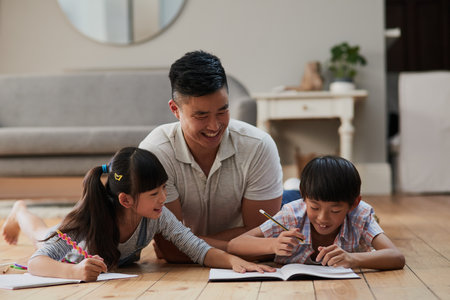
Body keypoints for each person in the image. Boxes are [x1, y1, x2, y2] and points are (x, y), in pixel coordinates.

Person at [1, 147, 274, 281]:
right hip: (75, 254)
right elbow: (37, 263)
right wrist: (73, 272)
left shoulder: (157, 215)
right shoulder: (86, 221)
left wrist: (234, 260)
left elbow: (197, 248)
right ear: (126, 199)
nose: (163, 198)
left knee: (43, 236)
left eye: (163, 189)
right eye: (154, 194)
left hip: (95, 258)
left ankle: (20, 210)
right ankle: (19, 210)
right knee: (41, 236)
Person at [139, 50, 283, 262]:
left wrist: (188, 244)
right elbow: (170, 247)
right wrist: (243, 246)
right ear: (175, 110)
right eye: (201, 115)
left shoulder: (258, 145)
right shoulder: (156, 154)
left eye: (222, 111)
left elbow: (266, 238)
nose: (214, 126)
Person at [227, 156, 405, 270]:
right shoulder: (291, 215)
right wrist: (272, 245)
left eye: (335, 210)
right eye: (315, 207)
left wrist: (353, 259)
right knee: (288, 193)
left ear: (353, 204)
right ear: (305, 200)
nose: (323, 218)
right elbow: (235, 245)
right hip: (289, 199)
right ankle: (293, 186)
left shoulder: (359, 215)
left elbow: (396, 257)